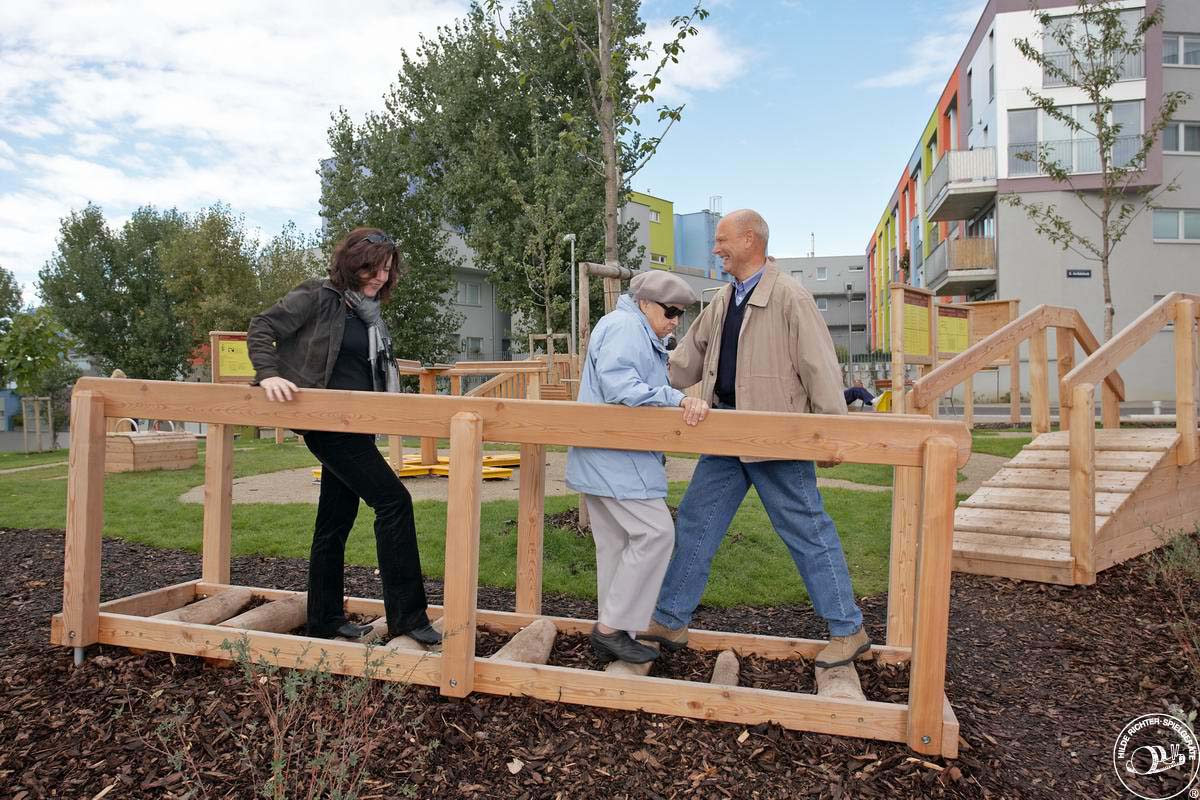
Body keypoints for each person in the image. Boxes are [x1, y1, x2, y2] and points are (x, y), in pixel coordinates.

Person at [638, 209, 871, 672]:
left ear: (749, 240)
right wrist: (635, 368)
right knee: (697, 524)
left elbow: (820, 366)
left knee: (806, 530)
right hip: (725, 431)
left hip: (775, 436)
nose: (716, 248)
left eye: (722, 240)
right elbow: (686, 360)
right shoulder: (725, 299)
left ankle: (849, 629)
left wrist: (831, 434)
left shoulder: (789, 297)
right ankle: (669, 620)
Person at [247, 227, 440, 645]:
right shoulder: (319, 296)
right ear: (352, 263)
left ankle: (324, 619)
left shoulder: (368, 314)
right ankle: (407, 616)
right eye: (373, 269)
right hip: (327, 424)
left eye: (387, 270)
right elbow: (262, 326)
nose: (381, 278)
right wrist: (269, 374)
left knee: (334, 521)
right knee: (394, 502)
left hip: (358, 424)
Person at [566, 270, 710, 664]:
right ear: (645, 303)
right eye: (670, 311)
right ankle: (612, 629)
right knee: (656, 533)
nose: (675, 320)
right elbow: (620, 386)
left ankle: (617, 631)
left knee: (616, 543)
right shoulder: (626, 328)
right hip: (616, 458)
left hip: (606, 455)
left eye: (680, 313)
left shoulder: (631, 327)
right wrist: (676, 398)